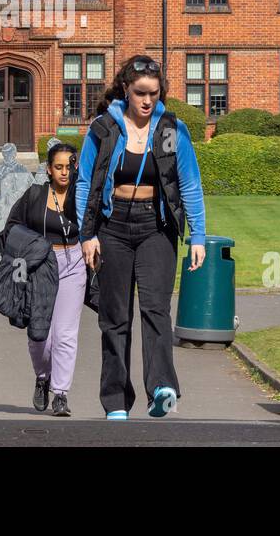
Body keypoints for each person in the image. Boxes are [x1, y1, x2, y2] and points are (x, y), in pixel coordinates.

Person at [75, 55, 206, 420]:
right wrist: (88, 235)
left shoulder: (171, 130)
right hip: (112, 227)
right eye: (140, 93)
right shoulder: (103, 128)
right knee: (115, 317)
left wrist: (198, 236)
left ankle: (161, 387)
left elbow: (190, 184)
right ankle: (116, 399)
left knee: (155, 309)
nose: (148, 101)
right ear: (125, 91)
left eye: (154, 93)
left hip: (156, 227)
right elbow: (86, 182)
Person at [4, 141, 84, 417]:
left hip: (73, 263)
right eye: (58, 167)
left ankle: (61, 393)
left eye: (69, 167)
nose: (64, 173)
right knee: (40, 336)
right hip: (41, 267)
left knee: (65, 334)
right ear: (49, 169)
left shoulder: (81, 195)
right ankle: (43, 376)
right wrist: (23, 264)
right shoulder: (35, 195)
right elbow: (12, 228)